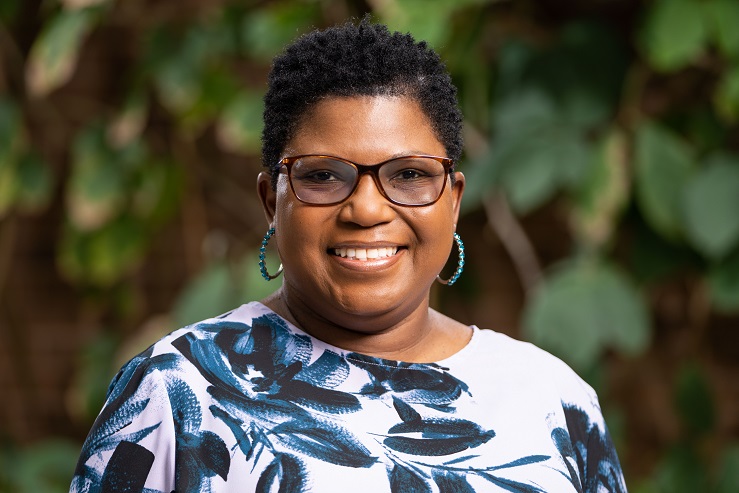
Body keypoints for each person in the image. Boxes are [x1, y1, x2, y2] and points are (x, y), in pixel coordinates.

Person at [70, 19, 627, 493]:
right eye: (323, 176)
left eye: (408, 175)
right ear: (271, 202)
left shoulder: (553, 401)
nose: (366, 209)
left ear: (453, 202)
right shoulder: (176, 391)